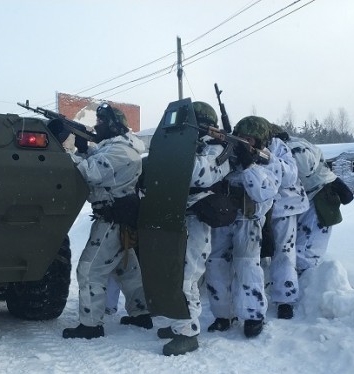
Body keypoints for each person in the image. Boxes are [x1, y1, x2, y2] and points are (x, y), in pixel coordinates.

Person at [62, 103, 151, 339]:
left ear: (113, 126)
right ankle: (141, 312)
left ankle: (91, 325)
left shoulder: (121, 151)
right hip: (116, 216)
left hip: (112, 219)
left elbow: (91, 172)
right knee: (126, 270)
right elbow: (98, 159)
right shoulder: (116, 148)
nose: (96, 126)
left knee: (89, 270)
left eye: (101, 122)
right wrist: (83, 147)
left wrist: (70, 155)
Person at [155, 101, 231, 356]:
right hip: (173, 216)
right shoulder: (192, 146)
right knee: (168, 274)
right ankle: (175, 322)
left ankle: (188, 332)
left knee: (185, 277)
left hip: (196, 221)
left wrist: (185, 148)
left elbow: (199, 174)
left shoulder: (219, 149)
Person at [204, 116, 279, 338]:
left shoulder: (268, 162)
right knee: (216, 264)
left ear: (260, 142)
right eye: (241, 138)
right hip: (223, 217)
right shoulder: (227, 153)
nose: (245, 142)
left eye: (250, 140)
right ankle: (222, 315)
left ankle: (253, 315)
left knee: (247, 268)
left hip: (249, 220)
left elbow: (263, 192)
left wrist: (249, 165)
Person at [263, 124, 309, 320]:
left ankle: (285, 300)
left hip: (285, 205)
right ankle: (252, 300)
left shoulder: (279, 146)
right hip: (256, 207)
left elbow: (290, 175)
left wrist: (266, 157)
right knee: (250, 256)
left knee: (284, 252)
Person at [288, 137, 352, 277]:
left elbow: (305, 168)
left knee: (307, 249)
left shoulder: (294, 147)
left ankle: (309, 285)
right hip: (312, 196)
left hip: (320, 197)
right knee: (303, 245)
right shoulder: (298, 143)